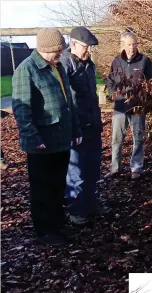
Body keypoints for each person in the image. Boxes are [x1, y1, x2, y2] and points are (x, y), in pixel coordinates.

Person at [12, 28, 83, 246]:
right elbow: (21, 110)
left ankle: (58, 225)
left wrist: (75, 130)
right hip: (41, 143)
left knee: (57, 186)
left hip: (60, 140)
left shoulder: (58, 67)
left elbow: (68, 104)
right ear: (45, 49)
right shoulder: (27, 70)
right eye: (57, 51)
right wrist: (34, 138)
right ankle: (44, 230)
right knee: (43, 189)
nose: (60, 54)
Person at [61, 27, 107, 226]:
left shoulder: (89, 65)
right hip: (77, 129)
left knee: (92, 169)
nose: (88, 51)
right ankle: (75, 210)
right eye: (85, 47)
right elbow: (68, 101)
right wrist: (74, 128)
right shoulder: (65, 64)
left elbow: (91, 98)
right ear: (73, 44)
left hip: (92, 126)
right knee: (76, 172)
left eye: (90, 48)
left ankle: (89, 204)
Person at [106, 32, 152, 179]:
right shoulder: (116, 61)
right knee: (117, 138)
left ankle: (136, 168)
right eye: (129, 44)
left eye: (134, 44)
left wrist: (144, 97)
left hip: (138, 107)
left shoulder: (145, 61)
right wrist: (113, 94)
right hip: (120, 106)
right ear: (123, 45)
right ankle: (115, 168)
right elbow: (110, 81)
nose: (132, 47)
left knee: (138, 137)